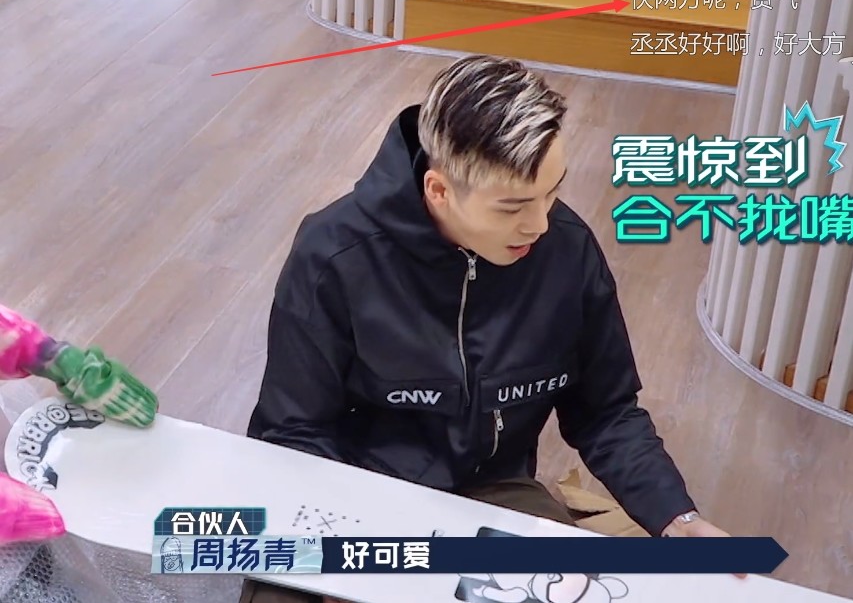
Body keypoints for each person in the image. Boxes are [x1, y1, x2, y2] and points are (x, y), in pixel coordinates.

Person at [240, 54, 732, 603]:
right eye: (512, 207)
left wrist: (677, 518)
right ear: (439, 190)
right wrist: (361, 542)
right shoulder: (334, 256)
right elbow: (293, 432)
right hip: (357, 486)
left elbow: (606, 411)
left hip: (495, 490)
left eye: (552, 192)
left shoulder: (567, 252)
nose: (540, 224)